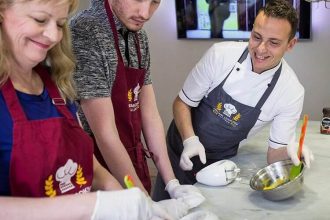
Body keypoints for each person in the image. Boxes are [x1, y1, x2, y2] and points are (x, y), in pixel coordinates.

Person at [0, 0, 186, 219]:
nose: (53, 36)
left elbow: (91, 165)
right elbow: (105, 135)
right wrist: (90, 205)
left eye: (60, 24)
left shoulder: (56, 85)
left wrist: (139, 196)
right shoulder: (89, 32)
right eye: (40, 20)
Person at [153, 0, 315, 200]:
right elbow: (182, 103)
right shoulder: (220, 55)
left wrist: (291, 152)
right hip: (180, 150)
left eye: (273, 42)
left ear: (290, 44)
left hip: (220, 163)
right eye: (256, 37)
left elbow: (273, 156)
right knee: (163, 205)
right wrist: (190, 140)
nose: (261, 49)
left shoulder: (290, 91)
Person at [69, 0, 205, 207]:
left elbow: (149, 116)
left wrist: (172, 183)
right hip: (100, 168)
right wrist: (142, 199)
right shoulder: (86, 31)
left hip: (132, 155)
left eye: (154, 2)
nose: (145, 13)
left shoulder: (139, 36)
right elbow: (105, 134)